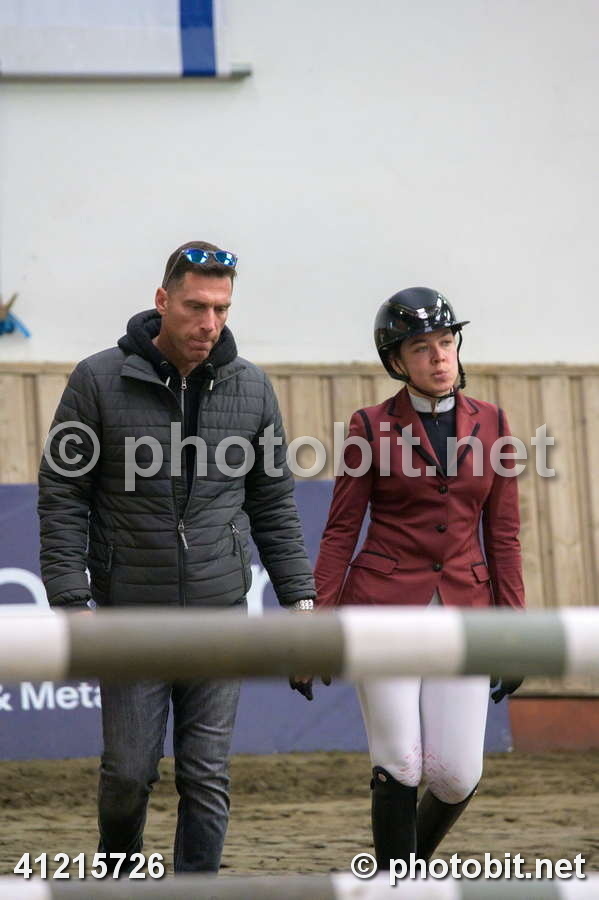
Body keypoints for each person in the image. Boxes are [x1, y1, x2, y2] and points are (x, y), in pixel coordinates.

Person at [38, 240, 315, 873]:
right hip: (131, 614)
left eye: (221, 308)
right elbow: (63, 493)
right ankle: (118, 879)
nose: (209, 322)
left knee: (206, 775)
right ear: (162, 300)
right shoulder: (97, 380)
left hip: (220, 613)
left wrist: (302, 606)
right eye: (196, 306)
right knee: (128, 773)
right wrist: (71, 599)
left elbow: (273, 503)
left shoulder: (252, 388)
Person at [314, 287, 524, 867]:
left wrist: (514, 630)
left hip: (465, 608)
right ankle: (397, 884)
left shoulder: (493, 423)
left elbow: (503, 536)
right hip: (382, 608)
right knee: (400, 763)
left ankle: (407, 868)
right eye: (421, 348)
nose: (439, 358)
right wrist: (314, 626)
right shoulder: (370, 426)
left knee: (457, 775)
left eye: (446, 342)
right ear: (397, 361)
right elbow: (340, 532)